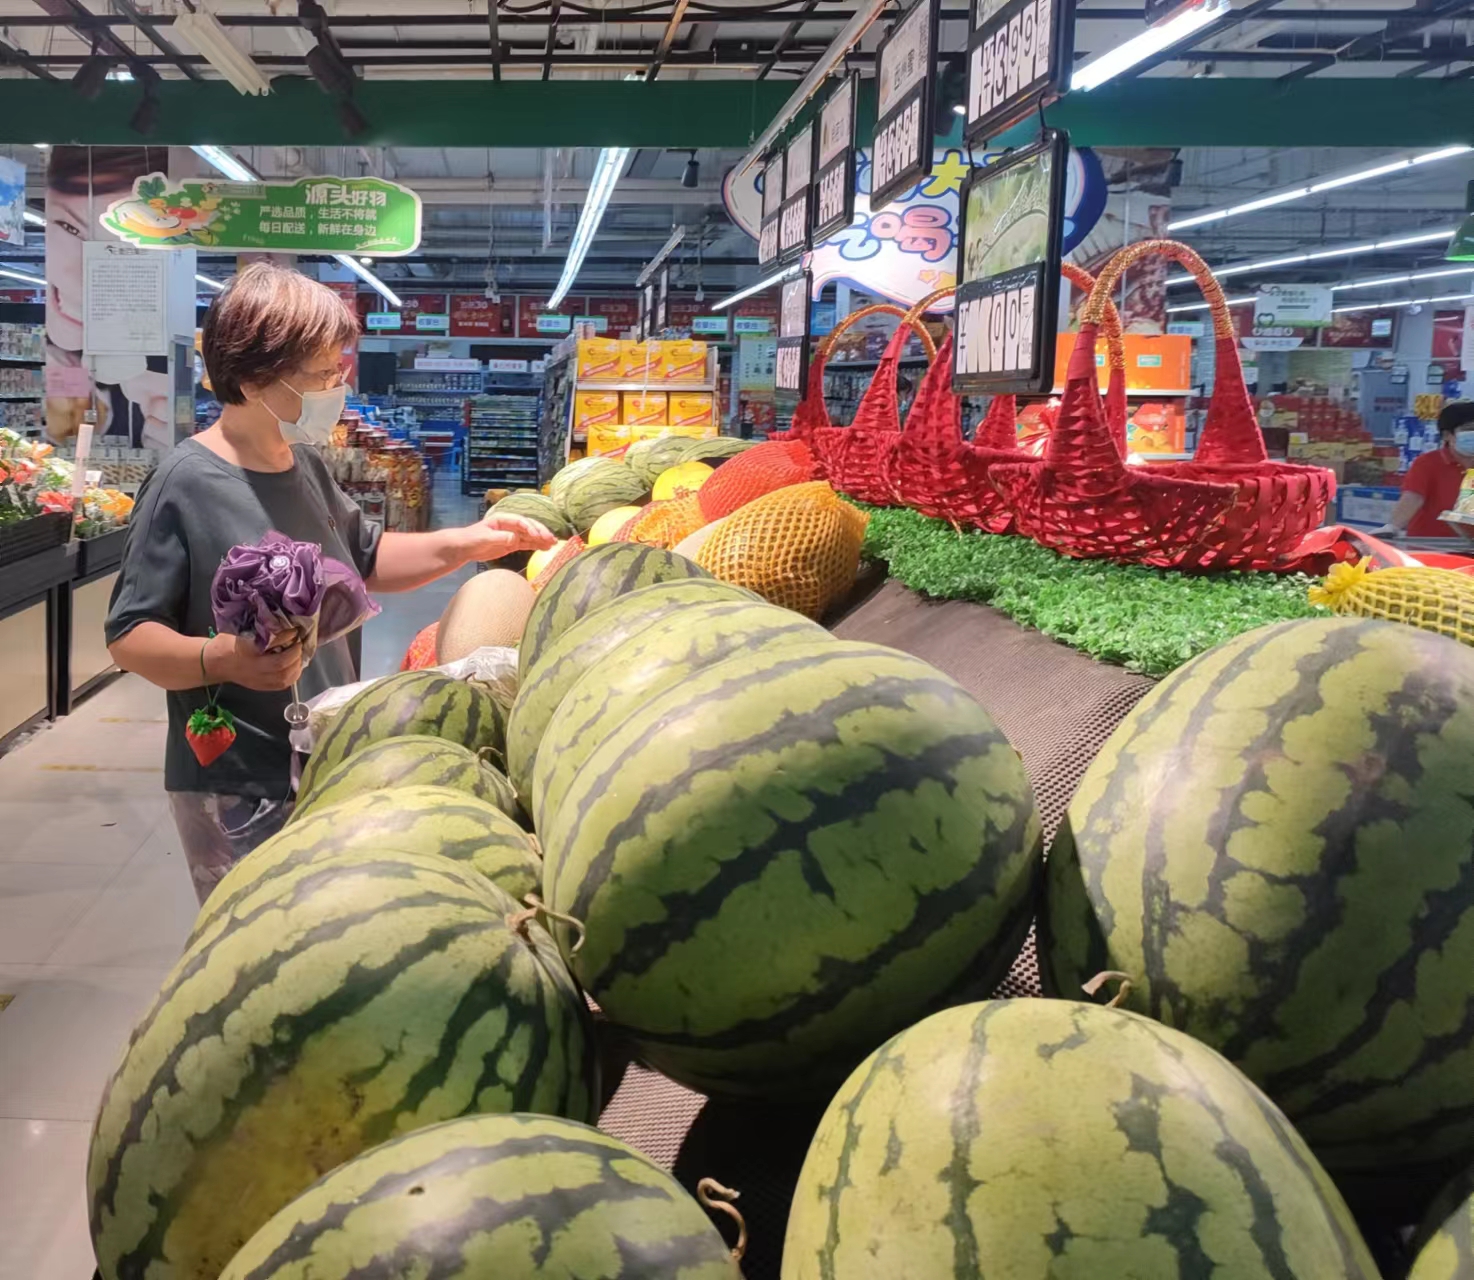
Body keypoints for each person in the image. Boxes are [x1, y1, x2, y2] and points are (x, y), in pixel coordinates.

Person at [104, 262, 554, 903]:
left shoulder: (303, 464)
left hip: (325, 749)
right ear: (254, 377)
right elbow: (129, 635)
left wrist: (471, 541)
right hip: (239, 775)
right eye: (320, 375)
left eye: (337, 370)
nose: (337, 387)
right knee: (256, 933)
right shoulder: (185, 481)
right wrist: (222, 658)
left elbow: (365, 559)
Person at [1374, 401, 1474, 538]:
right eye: (1470, 428)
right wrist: (1393, 527)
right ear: (1447, 435)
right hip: (1429, 544)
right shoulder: (1428, 463)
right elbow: (1413, 497)